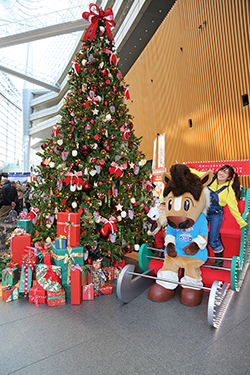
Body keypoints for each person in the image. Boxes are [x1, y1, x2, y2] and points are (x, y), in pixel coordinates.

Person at [191, 165, 247, 267]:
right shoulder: (210, 178)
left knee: (213, 238)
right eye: (221, 170)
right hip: (203, 212)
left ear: (229, 178)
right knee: (196, 234)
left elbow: (234, 208)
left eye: (225, 173)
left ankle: (219, 260)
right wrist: (182, 168)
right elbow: (196, 173)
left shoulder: (228, 190)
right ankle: (195, 257)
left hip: (216, 215)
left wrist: (242, 223)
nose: (221, 173)